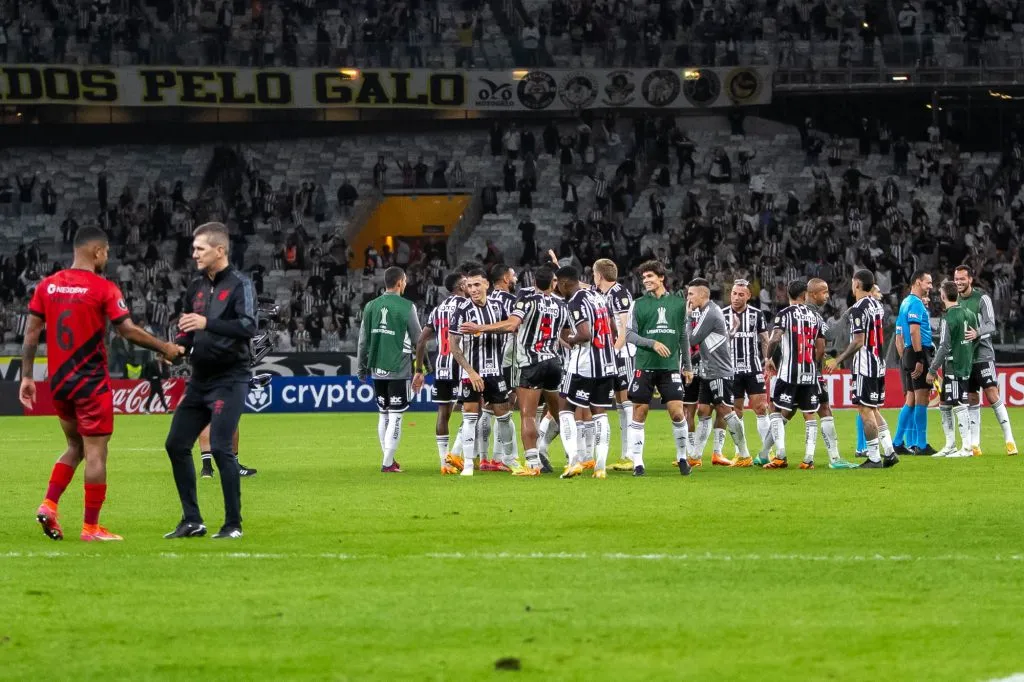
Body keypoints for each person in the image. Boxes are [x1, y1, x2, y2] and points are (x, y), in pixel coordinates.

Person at [23, 225, 182, 542]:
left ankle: (49, 504)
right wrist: (165, 348)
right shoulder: (103, 288)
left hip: (59, 383)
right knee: (96, 453)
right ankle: (91, 528)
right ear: (97, 252)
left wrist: (27, 375)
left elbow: (30, 334)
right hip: (91, 384)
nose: (107, 257)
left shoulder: (47, 286)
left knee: (74, 446)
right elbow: (128, 331)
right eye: (106, 251)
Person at [163, 222, 258, 540]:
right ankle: (192, 520)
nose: (194, 254)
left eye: (200, 248)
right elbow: (188, 327)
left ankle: (233, 524)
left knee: (220, 447)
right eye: (193, 249)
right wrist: (178, 347)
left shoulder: (241, 284)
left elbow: (247, 326)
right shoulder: (196, 287)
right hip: (199, 379)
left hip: (230, 378)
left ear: (220, 250)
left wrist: (208, 323)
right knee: (175, 444)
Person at [460, 266, 568, 475]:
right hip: (554, 362)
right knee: (559, 413)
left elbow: (511, 325)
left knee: (526, 415)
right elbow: (568, 334)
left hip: (529, 362)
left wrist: (480, 328)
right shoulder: (561, 304)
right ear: (553, 283)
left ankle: (532, 463)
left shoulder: (524, 300)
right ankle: (575, 456)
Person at [624, 260, 693, 476]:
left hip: (670, 366)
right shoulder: (638, 304)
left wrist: (688, 366)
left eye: (650, 277)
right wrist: (651, 343)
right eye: (644, 278)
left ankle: (682, 458)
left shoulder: (678, 304)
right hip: (644, 365)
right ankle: (637, 462)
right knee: (640, 411)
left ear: (661, 277)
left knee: (676, 412)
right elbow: (629, 335)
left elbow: (683, 336)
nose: (646, 281)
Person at [825, 269, 899, 469]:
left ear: (856, 284)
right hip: (878, 364)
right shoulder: (877, 305)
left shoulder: (859, 308)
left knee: (865, 410)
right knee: (874, 409)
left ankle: (874, 458)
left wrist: (838, 359)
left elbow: (859, 341)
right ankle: (890, 452)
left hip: (865, 366)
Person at [356, 266, 425, 474]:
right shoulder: (407, 307)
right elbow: (419, 340)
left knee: (383, 414)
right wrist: (421, 369)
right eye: (405, 281)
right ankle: (387, 463)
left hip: (377, 368)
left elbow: (362, 341)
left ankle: (389, 459)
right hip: (398, 367)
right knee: (396, 415)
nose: (405, 284)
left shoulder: (370, 306)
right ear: (399, 283)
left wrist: (361, 368)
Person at [450, 266, 515, 476]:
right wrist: (470, 372)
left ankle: (511, 460)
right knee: (469, 417)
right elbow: (453, 346)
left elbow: (511, 326)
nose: (473, 289)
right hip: (472, 374)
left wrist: (483, 328)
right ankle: (468, 463)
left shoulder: (497, 306)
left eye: (477, 284)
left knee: (504, 417)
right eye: (469, 286)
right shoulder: (461, 311)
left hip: (495, 372)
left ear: (486, 284)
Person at [557, 265, 619, 479]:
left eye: (559, 285)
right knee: (599, 414)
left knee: (565, 409)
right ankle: (600, 467)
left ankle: (574, 461)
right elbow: (613, 329)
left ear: (565, 283)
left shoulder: (575, 301)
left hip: (583, 367)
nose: (558, 289)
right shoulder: (598, 296)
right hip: (607, 364)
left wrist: (570, 339)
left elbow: (584, 334)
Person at [760, 281, 827, 470]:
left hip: (789, 372)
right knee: (809, 414)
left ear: (788, 294)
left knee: (774, 407)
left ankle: (780, 455)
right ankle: (808, 459)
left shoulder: (785, 314)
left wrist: (768, 358)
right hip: (810, 371)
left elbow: (775, 338)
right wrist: (814, 366)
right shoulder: (815, 316)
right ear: (804, 294)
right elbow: (821, 347)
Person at [686, 278, 752, 468]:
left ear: (702, 295)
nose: (688, 298)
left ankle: (744, 454)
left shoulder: (710, 313)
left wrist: (689, 316)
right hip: (708, 370)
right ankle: (696, 456)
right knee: (704, 411)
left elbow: (691, 339)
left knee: (725, 410)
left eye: (691, 294)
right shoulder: (710, 311)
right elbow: (716, 339)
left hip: (719, 371)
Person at [954, 265, 1017, 456]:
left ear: (970, 279)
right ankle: (975, 445)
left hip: (983, 356)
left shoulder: (982, 299)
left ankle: (1009, 440)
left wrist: (977, 332)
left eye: (962, 279)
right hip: (966, 358)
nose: (958, 282)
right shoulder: (955, 300)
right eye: (956, 279)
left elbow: (991, 325)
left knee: (992, 394)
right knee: (972, 398)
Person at [805, 278, 859, 468]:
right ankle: (834, 459)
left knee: (821, 409)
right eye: (824, 292)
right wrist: (847, 316)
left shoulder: (801, 313)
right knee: (787, 413)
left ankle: (765, 454)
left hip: (800, 371)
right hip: (809, 372)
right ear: (813, 294)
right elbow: (829, 334)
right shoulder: (813, 316)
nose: (827, 296)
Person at [415, 271, 465, 474]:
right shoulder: (467, 307)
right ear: (461, 286)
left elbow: (421, 341)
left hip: (442, 365)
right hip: (462, 364)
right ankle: (455, 452)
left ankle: (443, 463)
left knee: (443, 413)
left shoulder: (438, 310)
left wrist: (419, 370)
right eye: (467, 283)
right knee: (476, 409)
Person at [592, 257, 636, 472]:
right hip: (610, 354)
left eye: (594, 274)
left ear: (599, 275)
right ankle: (625, 454)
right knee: (620, 404)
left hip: (623, 354)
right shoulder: (601, 293)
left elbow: (624, 330)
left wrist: (613, 352)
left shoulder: (619, 293)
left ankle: (631, 455)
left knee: (627, 403)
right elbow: (580, 286)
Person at [721, 279, 771, 464]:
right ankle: (741, 453)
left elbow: (765, 340)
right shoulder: (722, 314)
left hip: (753, 369)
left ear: (749, 296)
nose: (736, 297)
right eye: (734, 293)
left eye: (741, 294)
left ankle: (767, 451)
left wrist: (768, 360)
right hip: (730, 370)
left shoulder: (757, 315)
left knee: (760, 408)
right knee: (736, 411)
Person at [926, 279, 978, 458]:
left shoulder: (948, 317)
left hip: (954, 366)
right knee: (945, 404)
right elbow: (975, 337)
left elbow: (944, 346)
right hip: (965, 364)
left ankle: (966, 447)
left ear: (943, 296)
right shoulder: (969, 313)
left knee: (958, 404)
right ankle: (950, 445)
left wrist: (933, 370)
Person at [895, 270, 936, 455]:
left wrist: (907, 356)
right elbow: (913, 332)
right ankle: (921, 444)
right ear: (918, 282)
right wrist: (919, 358)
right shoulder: (916, 303)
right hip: (918, 351)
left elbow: (900, 335)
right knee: (922, 399)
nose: (931, 286)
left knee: (911, 400)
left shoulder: (905, 302)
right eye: (928, 282)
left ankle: (897, 442)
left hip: (909, 352)